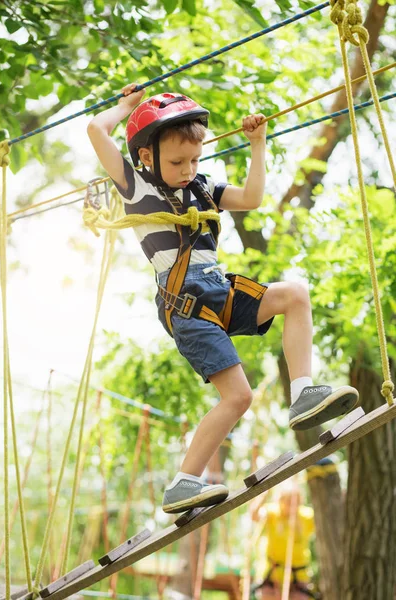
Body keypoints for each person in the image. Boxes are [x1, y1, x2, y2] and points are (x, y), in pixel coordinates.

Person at [87, 83, 359, 514]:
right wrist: (124, 108)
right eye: (177, 161)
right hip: (186, 304)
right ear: (146, 157)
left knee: (295, 295)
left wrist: (257, 145)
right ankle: (183, 482)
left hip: (220, 289)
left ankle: (303, 391)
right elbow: (95, 132)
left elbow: (251, 198)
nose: (188, 169)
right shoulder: (136, 189)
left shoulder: (203, 186)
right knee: (239, 398)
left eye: (194, 160)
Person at [252, 488, 319, 599]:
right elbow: (254, 515)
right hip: (273, 575)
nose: (292, 506)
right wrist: (264, 493)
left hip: (298, 575)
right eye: (288, 502)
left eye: (296, 502)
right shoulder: (272, 513)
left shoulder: (306, 516)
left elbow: (324, 523)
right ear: (280, 501)